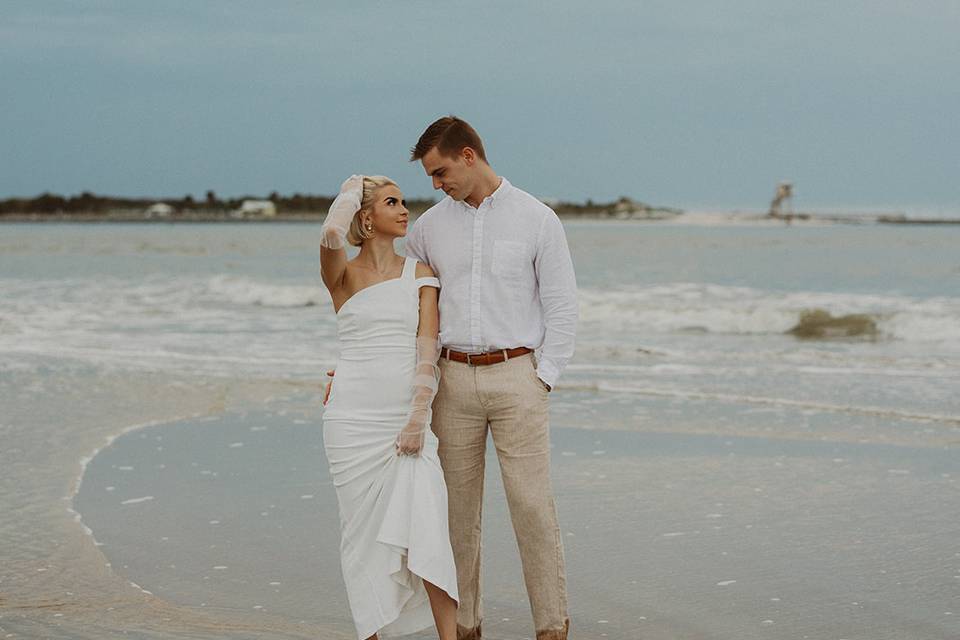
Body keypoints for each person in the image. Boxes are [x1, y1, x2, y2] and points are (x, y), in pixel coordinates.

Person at [405, 116, 577, 640]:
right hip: (450, 383)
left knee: (531, 508)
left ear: (468, 156)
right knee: (457, 516)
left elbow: (562, 307)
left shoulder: (537, 218)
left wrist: (542, 377)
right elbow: (409, 313)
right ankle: (466, 627)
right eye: (431, 177)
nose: (436, 185)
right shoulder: (428, 229)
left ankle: (551, 627)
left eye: (440, 172)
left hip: (516, 378)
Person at [319, 174, 459, 640]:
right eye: (392, 202)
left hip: (405, 419)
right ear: (366, 216)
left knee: (430, 532)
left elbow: (428, 349)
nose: (405, 210)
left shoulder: (419, 273)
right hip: (350, 419)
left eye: (404, 202)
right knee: (360, 542)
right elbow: (330, 235)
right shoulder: (341, 275)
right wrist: (349, 191)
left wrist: (418, 418)